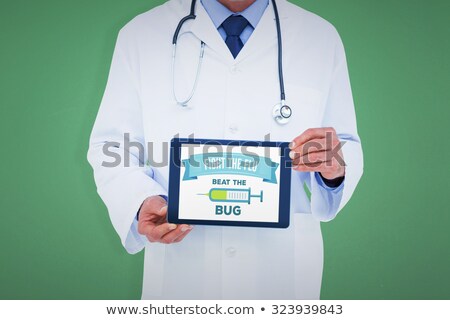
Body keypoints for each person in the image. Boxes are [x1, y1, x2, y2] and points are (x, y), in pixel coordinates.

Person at [87, 0, 363, 299]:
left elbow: (342, 141)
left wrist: (333, 168)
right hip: (182, 269)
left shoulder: (319, 36)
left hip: (282, 269)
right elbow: (112, 146)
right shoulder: (142, 34)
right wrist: (140, 200)